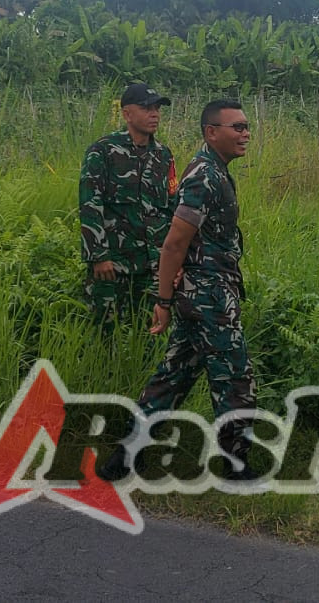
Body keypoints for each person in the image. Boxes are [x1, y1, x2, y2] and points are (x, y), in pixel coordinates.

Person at [118, 99, 257, 480]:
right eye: (237, 127)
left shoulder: (215, 170)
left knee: (174, 376)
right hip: (207, 295)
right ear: (212, 132)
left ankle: (123, 457)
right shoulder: (204, 176)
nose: (245, 134)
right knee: (234, 377)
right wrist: (163, 300)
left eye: (247, 127)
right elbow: (175, 243)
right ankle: (236, 465)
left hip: (206, 290)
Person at [79, 82, 178, 334]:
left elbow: (171, 207)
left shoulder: (163, 156)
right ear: (127, 114)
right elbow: (90, 204)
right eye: (146, 108)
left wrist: (173, 259)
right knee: (104, 332)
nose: (154, 113)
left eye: (157, 108)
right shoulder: (103, 151)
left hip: (152, 264)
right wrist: (98, 256)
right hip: (113, 264)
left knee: (148, 333)